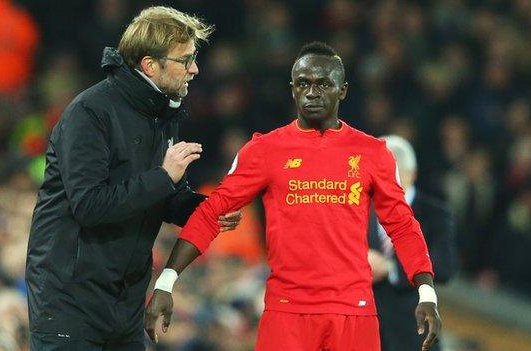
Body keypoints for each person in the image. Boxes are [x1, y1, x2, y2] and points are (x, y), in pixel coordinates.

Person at [145, 41, 442, 351]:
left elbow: (403, 226)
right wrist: (167, 281)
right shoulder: (263, 151)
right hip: (287, 312)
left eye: (324, 83)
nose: (312, 92)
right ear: (292, 89)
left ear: (343, 90)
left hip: (353, 312)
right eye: (304, 83)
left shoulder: (373, 153)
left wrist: (427, 292)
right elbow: (211, 212)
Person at [25, 6, 242, 350]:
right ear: (149, 65)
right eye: (184, 60)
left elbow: (162, 195)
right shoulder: (90, 113)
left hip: (124, 303)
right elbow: (89, 206)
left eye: (194, 58)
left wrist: (209, 209)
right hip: (70, 302)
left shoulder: (160, 113)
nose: (195, 69)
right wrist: (163, 177)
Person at [368, 135, 456, 351]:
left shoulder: (435, 215)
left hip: (409, 334)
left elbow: (444, 267)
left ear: (412, 175)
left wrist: (391, 268)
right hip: (361, 328)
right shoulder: (357, 205)